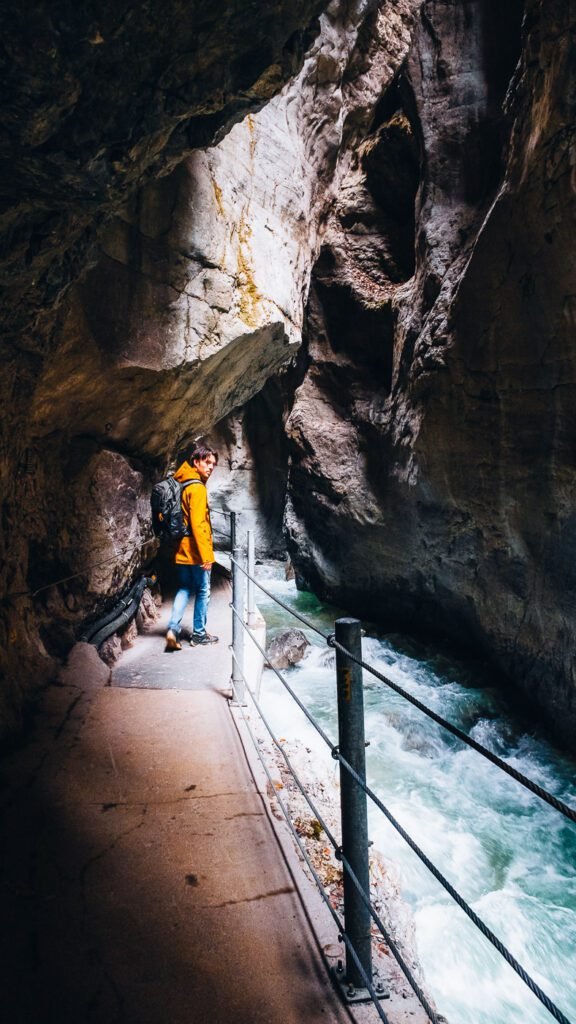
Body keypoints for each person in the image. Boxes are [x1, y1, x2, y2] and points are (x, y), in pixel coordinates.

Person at [165, 444, 220, 651]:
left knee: (184, 587)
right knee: (203, 591)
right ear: (196, 462)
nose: (211, 467)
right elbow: (198, 524)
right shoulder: (197, 488)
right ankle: (199, 634)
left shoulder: (182, 482)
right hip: (196, 551)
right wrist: (207, 556)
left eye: (213, 464)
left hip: (182, 547)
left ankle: (172, 630)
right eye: (207, 462)